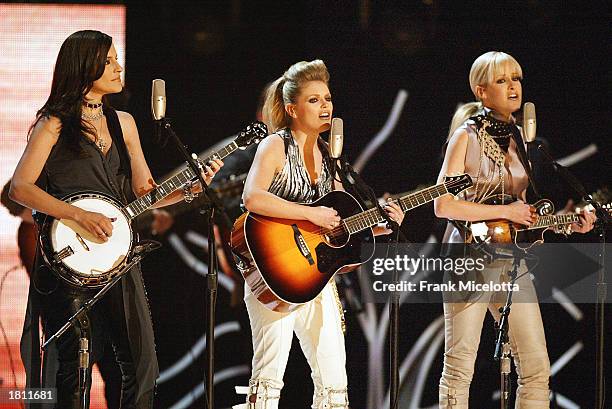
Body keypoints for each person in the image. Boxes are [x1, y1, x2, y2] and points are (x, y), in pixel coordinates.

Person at [9, 30, 222, 408]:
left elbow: (146, 192)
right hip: (67, 260)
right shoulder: (53, 124)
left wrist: (191, 187)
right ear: (83, 66)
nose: (118, 67)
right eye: (108, 61)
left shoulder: (124, 122)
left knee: (143, 366)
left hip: (118, 258)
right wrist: (76, 214)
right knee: (75, 366)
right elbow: (21, 188)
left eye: (116, 59)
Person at [234, 59, 404, 409]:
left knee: (334, 383)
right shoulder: (275, 145)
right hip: (274, 271)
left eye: (327, 98)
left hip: (316, 276)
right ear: (292, 108)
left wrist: (378, 223)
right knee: (268, 379)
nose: (325, 106)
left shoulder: (329, 156)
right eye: (314, 100)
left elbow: (340, 219)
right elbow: (252, 197)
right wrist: (310, 213)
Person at [433, 51, 596, 408]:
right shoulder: (466, 136)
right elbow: (443, 205)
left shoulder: (520, 138)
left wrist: (568, 222)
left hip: (510, 259)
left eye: (517, 78)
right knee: (460, 369)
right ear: (481, 90)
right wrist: (506, 209)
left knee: (536, 367)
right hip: (468, 258)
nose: (513, 86)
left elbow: (525, 216)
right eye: (502, 80)